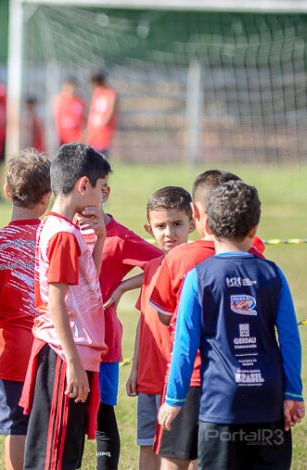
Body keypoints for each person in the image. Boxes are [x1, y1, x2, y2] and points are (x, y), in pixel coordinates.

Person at [158, 180, 304, 469]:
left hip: (220, 406)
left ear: (208, 225)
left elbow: (185, 344)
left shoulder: (198, 277)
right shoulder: (273, 274)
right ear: (253, 230)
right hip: (268, 404)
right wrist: (293, 394)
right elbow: (289, 338)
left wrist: (174, 398)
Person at [149, 170, 260, 470]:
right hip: (239, 378)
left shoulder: (179, 258)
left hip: (191, 377)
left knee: (174, 458)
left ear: (195, 213)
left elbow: (164, 315)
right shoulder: (257, 259)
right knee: (217, 458)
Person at [19, 143, 111, 469]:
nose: (103, 196)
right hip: (63, 353)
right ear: (83, 185)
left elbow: (86, 285)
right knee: (53, 456)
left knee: (66, 452)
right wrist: (72, 362)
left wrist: (100, 239)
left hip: (71, 350)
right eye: (101, 188)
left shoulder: (66, 229)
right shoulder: (63, 235)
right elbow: (56, 301)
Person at [0, 149, 51, 470]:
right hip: (54, 351)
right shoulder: (58, 240)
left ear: (6, 191)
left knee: (16, 428)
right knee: (50, 425)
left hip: (10, 353)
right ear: (47, 197)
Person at [94, 182, 163, 470]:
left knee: (102, 414)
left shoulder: (119, 237)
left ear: (105, 192)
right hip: (63, 342)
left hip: (104, 343)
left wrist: (122, 286)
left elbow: (164, 260)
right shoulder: (62, 230)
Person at [127, 186, 194, 470]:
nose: (169, 233)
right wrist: (135, 369)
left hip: (181, 378)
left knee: (185, 448)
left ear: (192, 223)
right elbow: (145, 321)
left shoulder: (196, 266)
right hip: (149, 376)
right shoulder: (151, 268)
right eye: (161, 226)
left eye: (177, 224)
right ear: (149, 229)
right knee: (147, 442)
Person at [86, 72, 117, 157]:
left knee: (101, 154)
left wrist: (103, 125)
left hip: (104, 129)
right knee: (91, 154)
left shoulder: (110, 93)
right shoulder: (97, 92)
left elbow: (111, 111)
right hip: (93, 129)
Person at [53, 77, 85, 146]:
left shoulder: (80, 100)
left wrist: (83, 134)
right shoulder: (60, 100)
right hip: (64, 137)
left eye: (74, 88)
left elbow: (83, 118)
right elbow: (57, 118)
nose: (72, 90)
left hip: (77, 137)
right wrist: (58, 135)